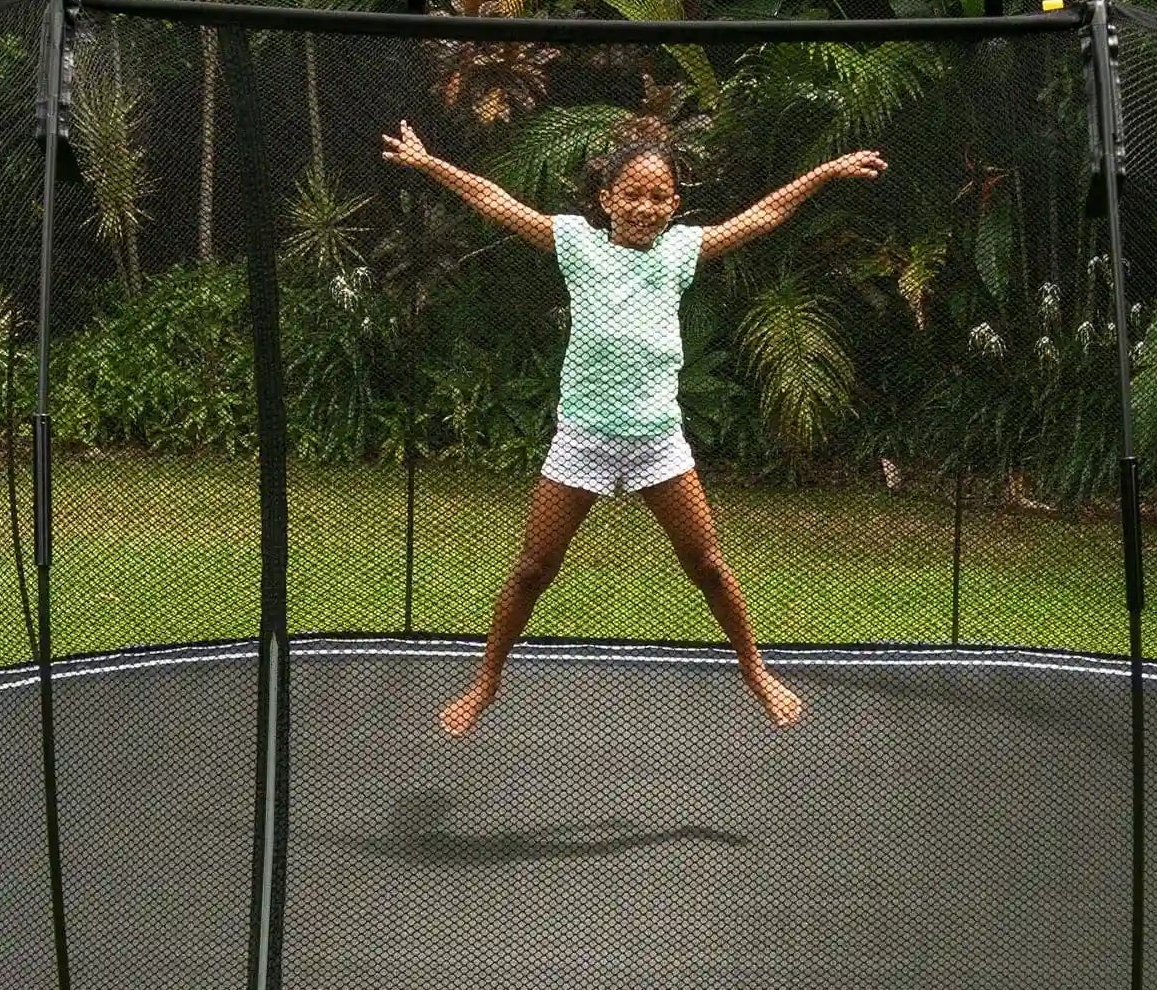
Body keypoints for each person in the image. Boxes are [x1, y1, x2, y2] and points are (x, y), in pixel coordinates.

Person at [377, 115, 884, 734]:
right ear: (606, 199)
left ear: (674, 204)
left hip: (658, 445)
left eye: (659, 196)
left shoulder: (679, 253)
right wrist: (431, 165)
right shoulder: (576, 244)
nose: (646, 207)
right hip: (582, 441)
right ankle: (486, 682)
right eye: (633, 195)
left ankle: (755, 670)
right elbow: (494, 200)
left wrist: (826, 172)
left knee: (707, 564)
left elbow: (764, 216)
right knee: (533, 569)